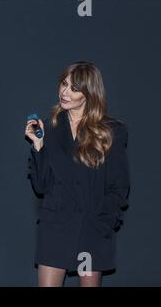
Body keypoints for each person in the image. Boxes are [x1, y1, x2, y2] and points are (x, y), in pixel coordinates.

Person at [25, 62, 130, 287]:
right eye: (64, 84)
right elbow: (41, 186)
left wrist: (103, 222)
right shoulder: (48, 129)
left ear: (89, 94)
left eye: (74, 88)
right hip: (56, 228)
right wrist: (38, 146)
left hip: (91, 230)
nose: (65, 92)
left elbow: (119, 187)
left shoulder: (111, 131)